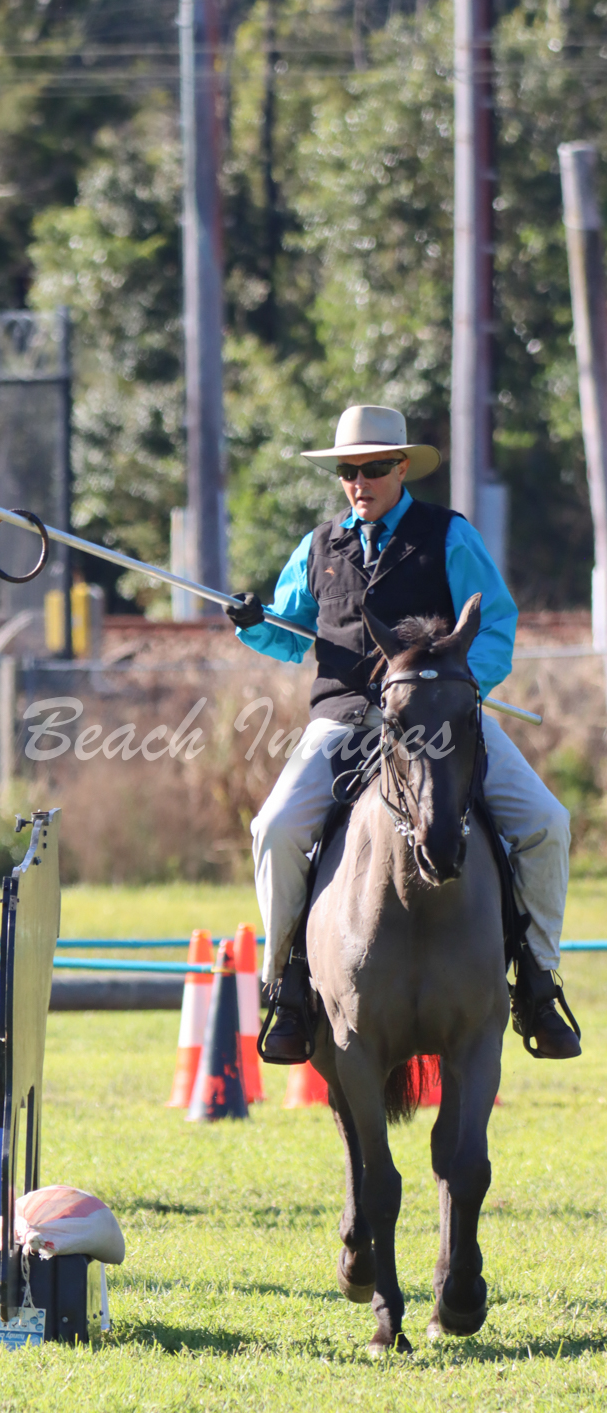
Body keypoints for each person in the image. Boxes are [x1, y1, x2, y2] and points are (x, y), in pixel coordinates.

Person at [225, 404, 579, 1063]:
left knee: (546, 823)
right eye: (348, 471)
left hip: (439, 721)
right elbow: (288, 634)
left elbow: (496, 625)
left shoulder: (449, 535)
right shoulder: (318, 547)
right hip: (341, 724)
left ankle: (537, 979)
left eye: (375, 467)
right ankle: (288, 987)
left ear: (402, 468)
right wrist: (253, 621)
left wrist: (459, 688)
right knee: (273, 828)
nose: (360, 482)